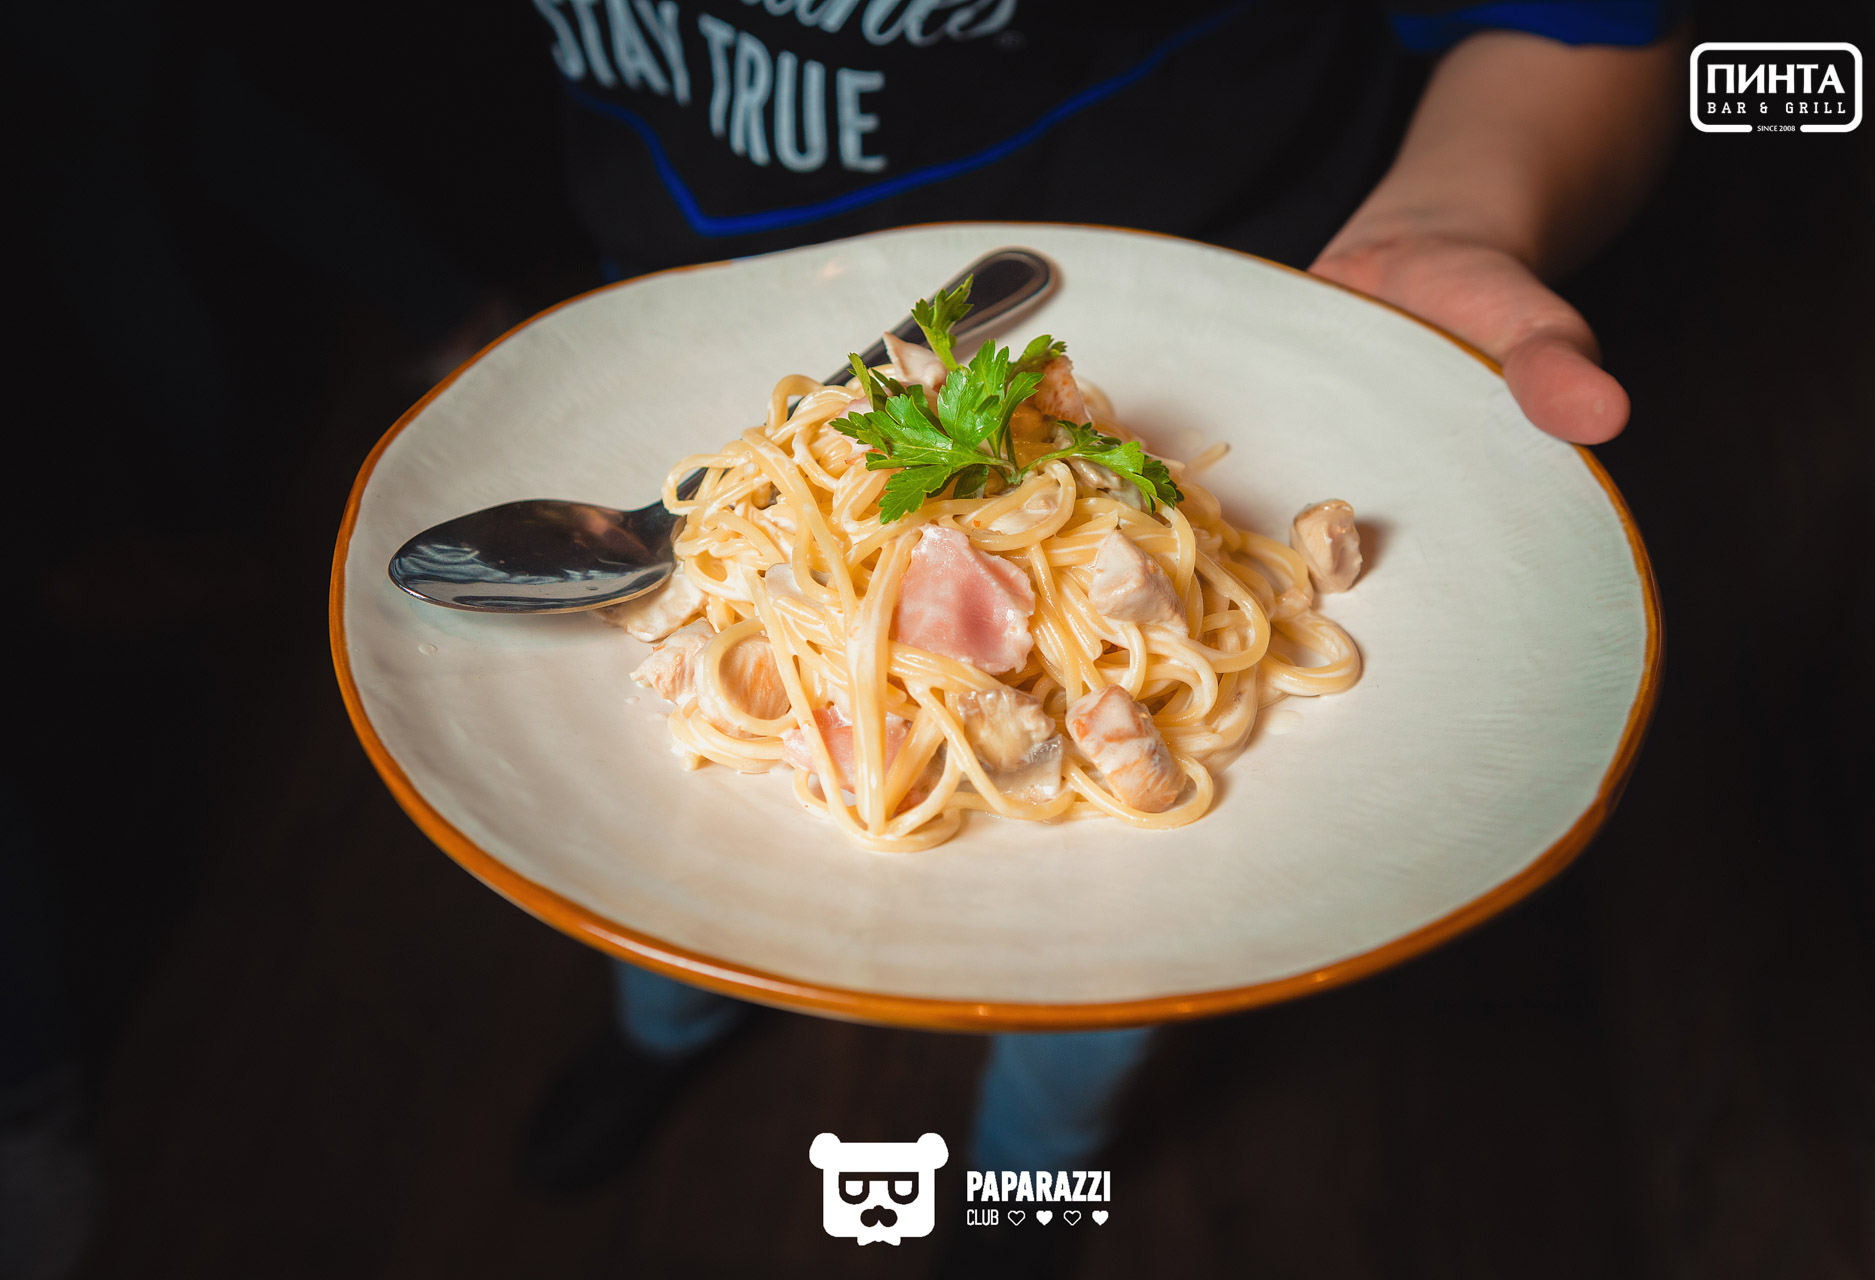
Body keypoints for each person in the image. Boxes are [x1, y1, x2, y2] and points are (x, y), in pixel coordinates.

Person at [515, 0, 1688, 1257]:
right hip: (666, 295)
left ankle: (1024, 1189)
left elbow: (1591, 21)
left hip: (1261, 259)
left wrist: (1458, 209)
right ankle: (663, 1034)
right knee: (667, 873)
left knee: (1104, 987)